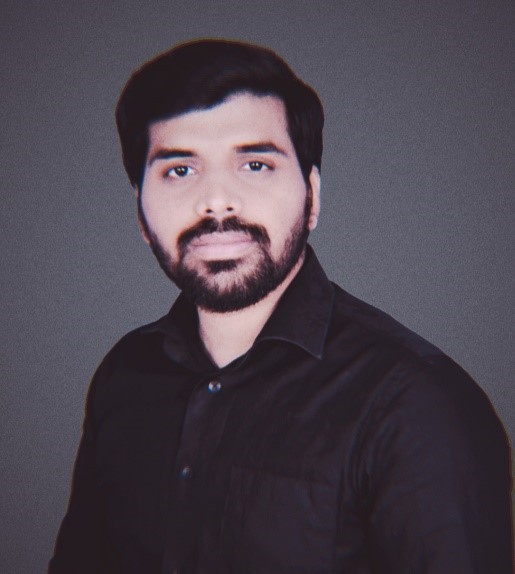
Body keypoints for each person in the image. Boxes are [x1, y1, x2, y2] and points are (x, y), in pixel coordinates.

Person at [48, 39, 513, 573]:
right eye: (179, 170)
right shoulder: (124, 375)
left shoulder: (418, 404)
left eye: (255, 164)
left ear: (312, 196)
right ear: (140, 213)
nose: (216, 201)